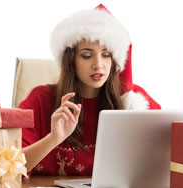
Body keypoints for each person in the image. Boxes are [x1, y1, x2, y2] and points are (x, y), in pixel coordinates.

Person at [19, 4, 161, 176]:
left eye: (106, 55)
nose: (98, 65)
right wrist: (54, 138)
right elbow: (9, 168)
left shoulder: (134, 100)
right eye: (87, 55)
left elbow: (170, 149)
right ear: (71, 60)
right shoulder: (40, 99)